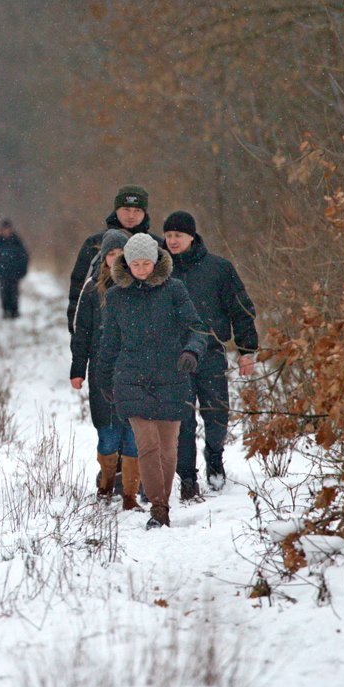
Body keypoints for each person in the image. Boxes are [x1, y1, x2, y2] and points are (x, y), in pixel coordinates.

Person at [96, 233, 208, 529]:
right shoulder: (117, 297)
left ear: (156, 261)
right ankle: (158, 508)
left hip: (171, 376)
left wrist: (191, 351)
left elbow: (197, 328)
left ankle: (163, 501)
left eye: (147, 263)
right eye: (136, 263)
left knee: (167, 446)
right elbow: (109, 342)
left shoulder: (174, 291)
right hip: (131, 378)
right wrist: (104, 380)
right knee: (146, 444)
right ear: (127, 264)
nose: (142, 269)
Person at [162, 211, 259, 498]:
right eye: (168, 235)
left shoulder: (218, 268)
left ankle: (214, 457)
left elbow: (240, 310)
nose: (172, 240)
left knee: (216, 415)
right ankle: (188, 478)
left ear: (192, 236)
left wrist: (247, 350)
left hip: (212, 352)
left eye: (178, 235)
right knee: (183, 420)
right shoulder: (161, 271)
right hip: (175, 358)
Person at [70, 229, 141, 511]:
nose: (115, 258)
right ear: (103, 258)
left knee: (133, 433)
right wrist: (78, 369)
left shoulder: (139, 287)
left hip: (135, 371)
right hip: (102, 371)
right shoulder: (91, 289)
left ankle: (130, 494)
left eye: (120, 253)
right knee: (108, 434)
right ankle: (106, 485)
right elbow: (81, 334)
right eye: (110, 254)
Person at [66, 185, 161, 333]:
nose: (131, 215)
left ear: (145, 213)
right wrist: (75, 319)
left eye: (137, 210)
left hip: (147, 332)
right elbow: (79, 282)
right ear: (116, 210)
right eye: (126, 210)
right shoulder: (95, 243)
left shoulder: (157, 245)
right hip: (100, 329)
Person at [0, 219, 29, 319]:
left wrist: (23, 269)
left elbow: (24, 256)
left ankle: (14, 311)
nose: (6, 231)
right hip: (2, 273)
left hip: (15, 272)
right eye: (4, 229)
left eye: (7, 229)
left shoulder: (17, 241)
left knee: (14, 293)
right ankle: (5, 310)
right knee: (3, 293)